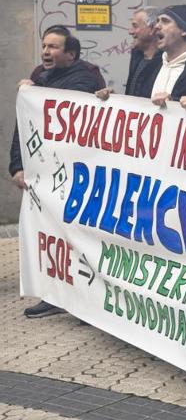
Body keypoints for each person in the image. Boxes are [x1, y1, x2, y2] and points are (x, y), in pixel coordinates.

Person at [9, 27, 106, 319]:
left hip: (72, 176)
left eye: (53, 47)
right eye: (44, 46)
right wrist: (17, 166)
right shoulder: (39, 77)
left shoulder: (84, 78)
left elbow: (63, 109)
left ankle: (84, 299)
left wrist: (34, 92)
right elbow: (24, 126)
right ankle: (54, 293)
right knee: (50, 239)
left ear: (70, 54)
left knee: (76, 237)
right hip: (43, 175)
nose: (46, 52)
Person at [124, 7, 162, 98]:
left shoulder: (167, 61)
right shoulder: (137, 55)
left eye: (135, 26)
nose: (130, 31)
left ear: (153, 28)